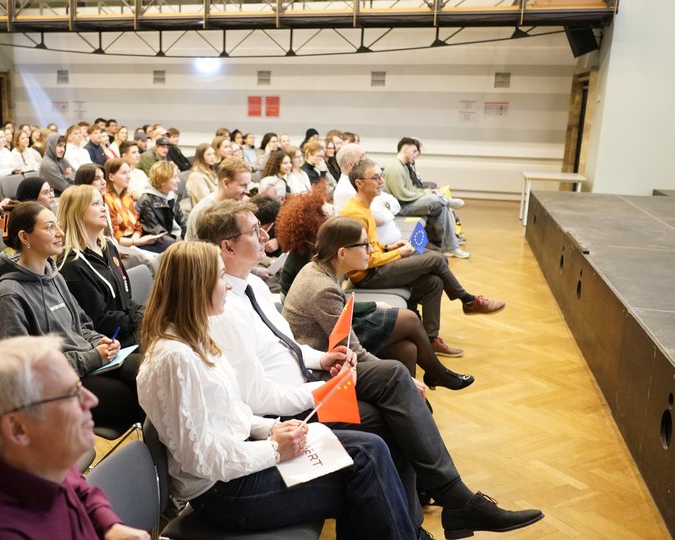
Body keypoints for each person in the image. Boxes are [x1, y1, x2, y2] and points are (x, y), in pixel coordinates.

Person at [197, 201, 545, 538]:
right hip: (289, 413)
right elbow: (256, 397)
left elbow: (288, 346)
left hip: (307, 386)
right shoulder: (224, 309)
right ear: (228, 246)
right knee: (396, 396)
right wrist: (324, 390)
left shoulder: (255, 285)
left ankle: (435, 512)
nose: (265, 235)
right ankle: (447, 505)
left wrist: (323, 359)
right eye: (254, 231)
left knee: (399, 392)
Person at [137, 241, 416, 539]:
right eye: (220, 277)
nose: (228, 286)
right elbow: (202, 461)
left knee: (370, 451)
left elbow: (231, 411)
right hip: (223, 492)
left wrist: (272, 428)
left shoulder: (195, 337)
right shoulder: (176, 359)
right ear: (196, 287)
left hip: (239, 463)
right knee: (366, 469)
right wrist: (274, 449)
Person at [0, 336, 149, 540]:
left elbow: (79, 488)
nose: (91, 400)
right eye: (71, 394)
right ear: (18, 429)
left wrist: (109, 526)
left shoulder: (38, 456)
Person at [0, 201, 142, 428]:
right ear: (25, 237)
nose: (60, 233)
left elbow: (82, 326)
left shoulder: (54, 276)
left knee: (149, 372)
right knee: (131, 399)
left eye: (57, 225)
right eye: (50, 227)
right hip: (52, 388)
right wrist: (93, 357)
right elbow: (22, 372)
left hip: (86, 364)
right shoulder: (8, 296)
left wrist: (100, 341)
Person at [284, 216, 473, 390]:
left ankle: (416, 399)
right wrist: (402, 378)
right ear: (342, 253)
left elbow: (338, 311)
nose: (371, 250)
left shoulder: (319, 268)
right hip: (321, 356)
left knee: (407, 349)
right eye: (364, 245)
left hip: (330, 340)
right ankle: (431, 379)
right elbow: (351, 349)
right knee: (409, 321)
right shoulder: (322, 287)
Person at [341, 159, 506, 357]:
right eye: (376, 178)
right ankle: (467, 300)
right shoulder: (354, 213)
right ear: (359, 183)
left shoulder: (364, 206)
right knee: (436, 259)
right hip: (368, 276)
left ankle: (431, 339)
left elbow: (370, 246)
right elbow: (363, 260)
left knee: (434, 281)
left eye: (381, 176)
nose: (382, 181)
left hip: (376, 266)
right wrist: (398, 253)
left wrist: (389, 247)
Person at [57, 185, 143, 346]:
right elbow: (99, 321)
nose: (104, 208)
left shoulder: (108, 247)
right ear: (77, 212)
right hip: (111, 345)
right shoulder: (72, 265)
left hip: (131, 332)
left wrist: (144, 314)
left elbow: (126, 300)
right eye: (95, 204)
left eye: (102, 203)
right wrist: (140, 319)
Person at [384, 137, 467, 258]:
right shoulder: (395, 167)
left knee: (441, 208)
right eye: (414, 151)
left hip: (407, 203)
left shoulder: (403, 166)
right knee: (433, 199)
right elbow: (402, 195)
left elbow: (411, 190)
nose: (416, 154)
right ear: (405, 149)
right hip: (401, 207)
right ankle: (446, 201)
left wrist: (424, 192)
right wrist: (425, 194)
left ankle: (450, 247)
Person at [184, 157, 251, 241]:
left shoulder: (236, 203)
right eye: (243, 185)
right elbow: (201, 248)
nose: (247, 191)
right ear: (226, 183)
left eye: (248, 185)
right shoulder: (203, 212)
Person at [104, 158, 162, 251]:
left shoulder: (126, 197)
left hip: (134, 240)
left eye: (129, 172)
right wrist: (135, 242)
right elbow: (113, 236)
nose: (129, 177)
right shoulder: (107, 200)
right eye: (124, 173)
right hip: (121, 246)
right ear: (111, 177)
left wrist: (135, 241)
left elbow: (137, 225)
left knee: (168, 244)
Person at [135, 160, 184, 252]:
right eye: (174, 177)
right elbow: (158, 232)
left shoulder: (171, 196)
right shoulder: (146, 201)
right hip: (157, 242)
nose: (178, 180)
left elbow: (182, 223)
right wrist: (181, 243)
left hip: (174, 239)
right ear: (162, 181)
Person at [186, 143, 218, 207]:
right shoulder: (196, 176)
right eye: (209, 154)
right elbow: (205, 201)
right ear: (201, 157)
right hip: (207, 210)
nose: (213, 157)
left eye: (213, 154)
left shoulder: (210, 170)